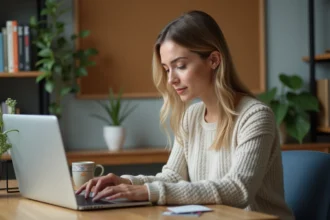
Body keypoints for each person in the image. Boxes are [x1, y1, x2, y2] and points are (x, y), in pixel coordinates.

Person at [76, 10, 294, 219]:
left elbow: (238, 190)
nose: (171, 79)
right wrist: (126, 183)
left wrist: (149, 192)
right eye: (167, 69)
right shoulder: (192, 116)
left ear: (214, 60)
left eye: (180, 66)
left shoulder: (255, 116)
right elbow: (172, 177)